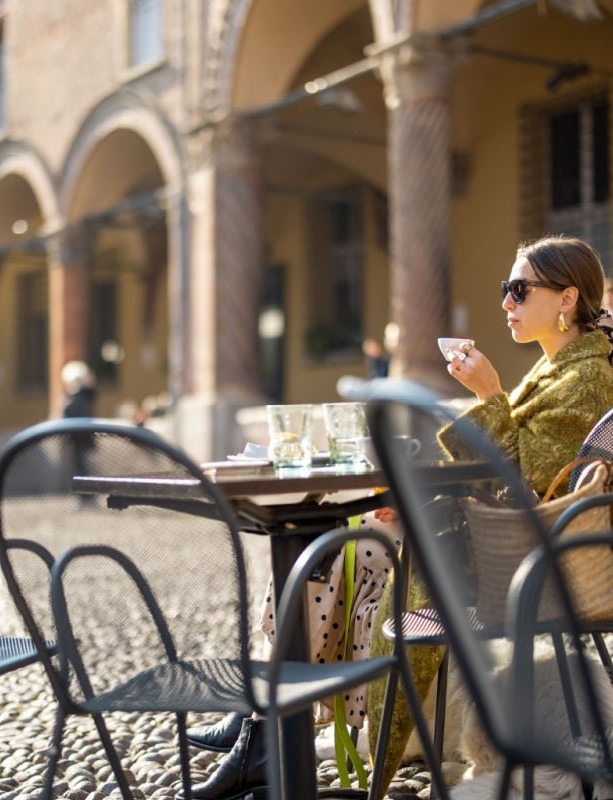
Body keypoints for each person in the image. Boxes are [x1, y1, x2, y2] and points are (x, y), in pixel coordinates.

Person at [180, 235, 613, 800]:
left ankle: (268, 730)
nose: (505, 302)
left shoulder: (588, 379)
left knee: (333, 554)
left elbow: (523, 484)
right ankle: (264, 724)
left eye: (518, 289)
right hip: (495, 547)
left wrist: (487, 396)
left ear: (566, 298)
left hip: (518, 566)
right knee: (330, 550)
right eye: (505, 290)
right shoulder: (558, 371)